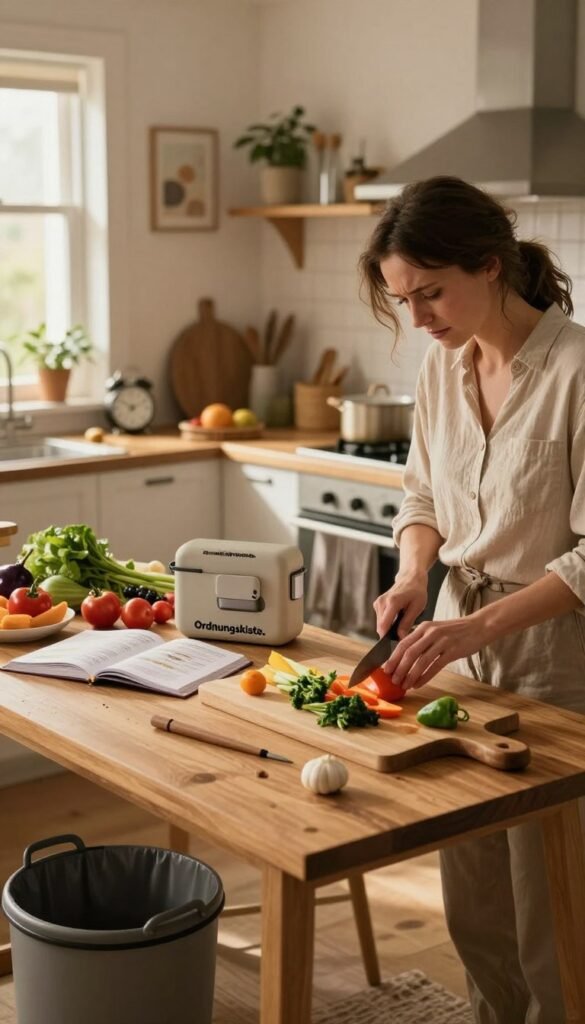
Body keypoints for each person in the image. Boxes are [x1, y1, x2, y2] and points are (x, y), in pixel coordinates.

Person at [358, 175, 585, 1024]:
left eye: (429, 293)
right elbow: (420, 499)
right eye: (401, 299)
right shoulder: (440, 370)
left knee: (550, 902)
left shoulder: (577, 372)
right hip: (456, 633)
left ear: (489, 266)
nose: (417, 317)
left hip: (553, 651)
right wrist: (416, 577)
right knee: (473, 888)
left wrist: (474, 625)